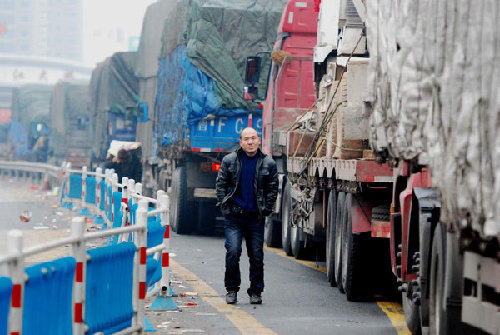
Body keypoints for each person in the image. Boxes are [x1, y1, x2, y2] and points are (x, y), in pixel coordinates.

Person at [215, 127, 278, 304]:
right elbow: (220, 184)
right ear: (240, 142)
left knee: (257, 255)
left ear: (259, 141)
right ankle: (231, 290)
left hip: (255, 218)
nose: (250, 142)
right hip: (234, 217)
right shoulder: (229, 160)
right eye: (246, 139)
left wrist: (266, 209)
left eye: (253, 138)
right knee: (233, 252)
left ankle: (256, 291)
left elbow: (273, 189)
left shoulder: (269, 163)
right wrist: (225, 208)